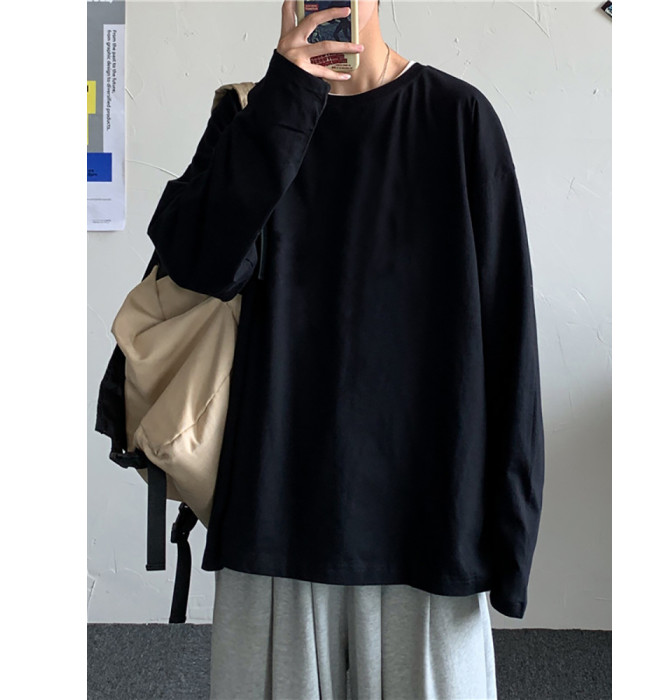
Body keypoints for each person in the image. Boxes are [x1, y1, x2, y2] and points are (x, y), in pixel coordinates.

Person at [145, 1, 545, 698]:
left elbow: (509, 331)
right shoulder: (254, 115)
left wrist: (509, 535)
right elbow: (199, 264)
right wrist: (285, 99)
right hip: (276, 507)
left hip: (429, 517)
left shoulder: (457, 117)